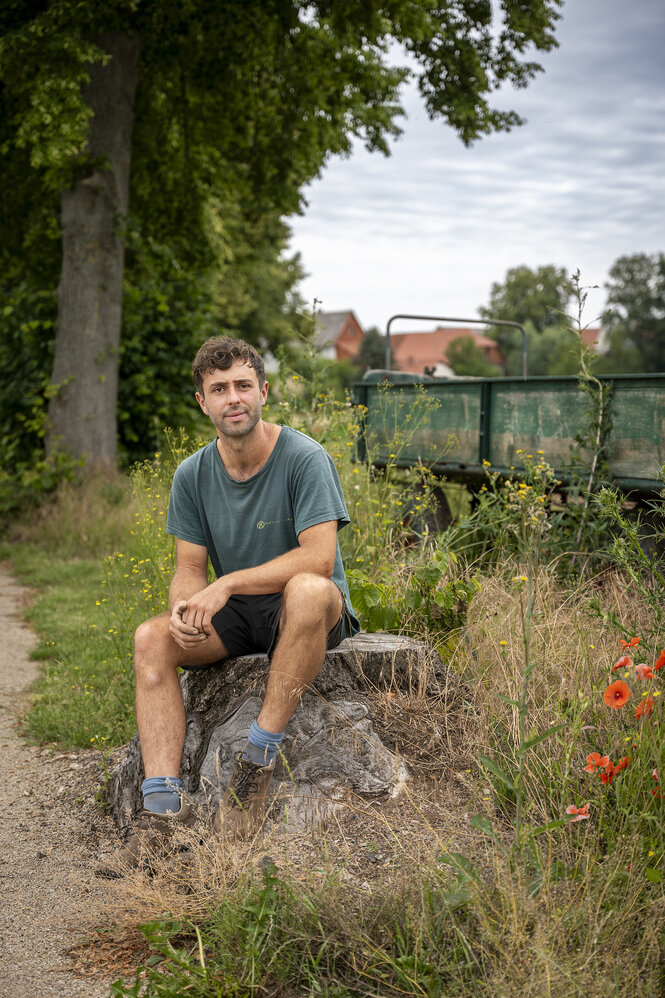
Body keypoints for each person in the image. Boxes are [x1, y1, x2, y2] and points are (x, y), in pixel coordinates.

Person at [99, 336, 359, 875]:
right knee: (151, 639)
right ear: (203, 402)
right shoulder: (192, 475)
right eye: (219, 389)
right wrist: (184, 611)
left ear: (263, 392)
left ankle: (254, 767)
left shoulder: (304, 457)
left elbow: (318, 557)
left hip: (308, 612)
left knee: (309, 590)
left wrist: (230, 583)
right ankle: (161, 815)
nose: (232, 398)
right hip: (240, 614)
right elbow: (190, 570)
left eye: (243, 385)